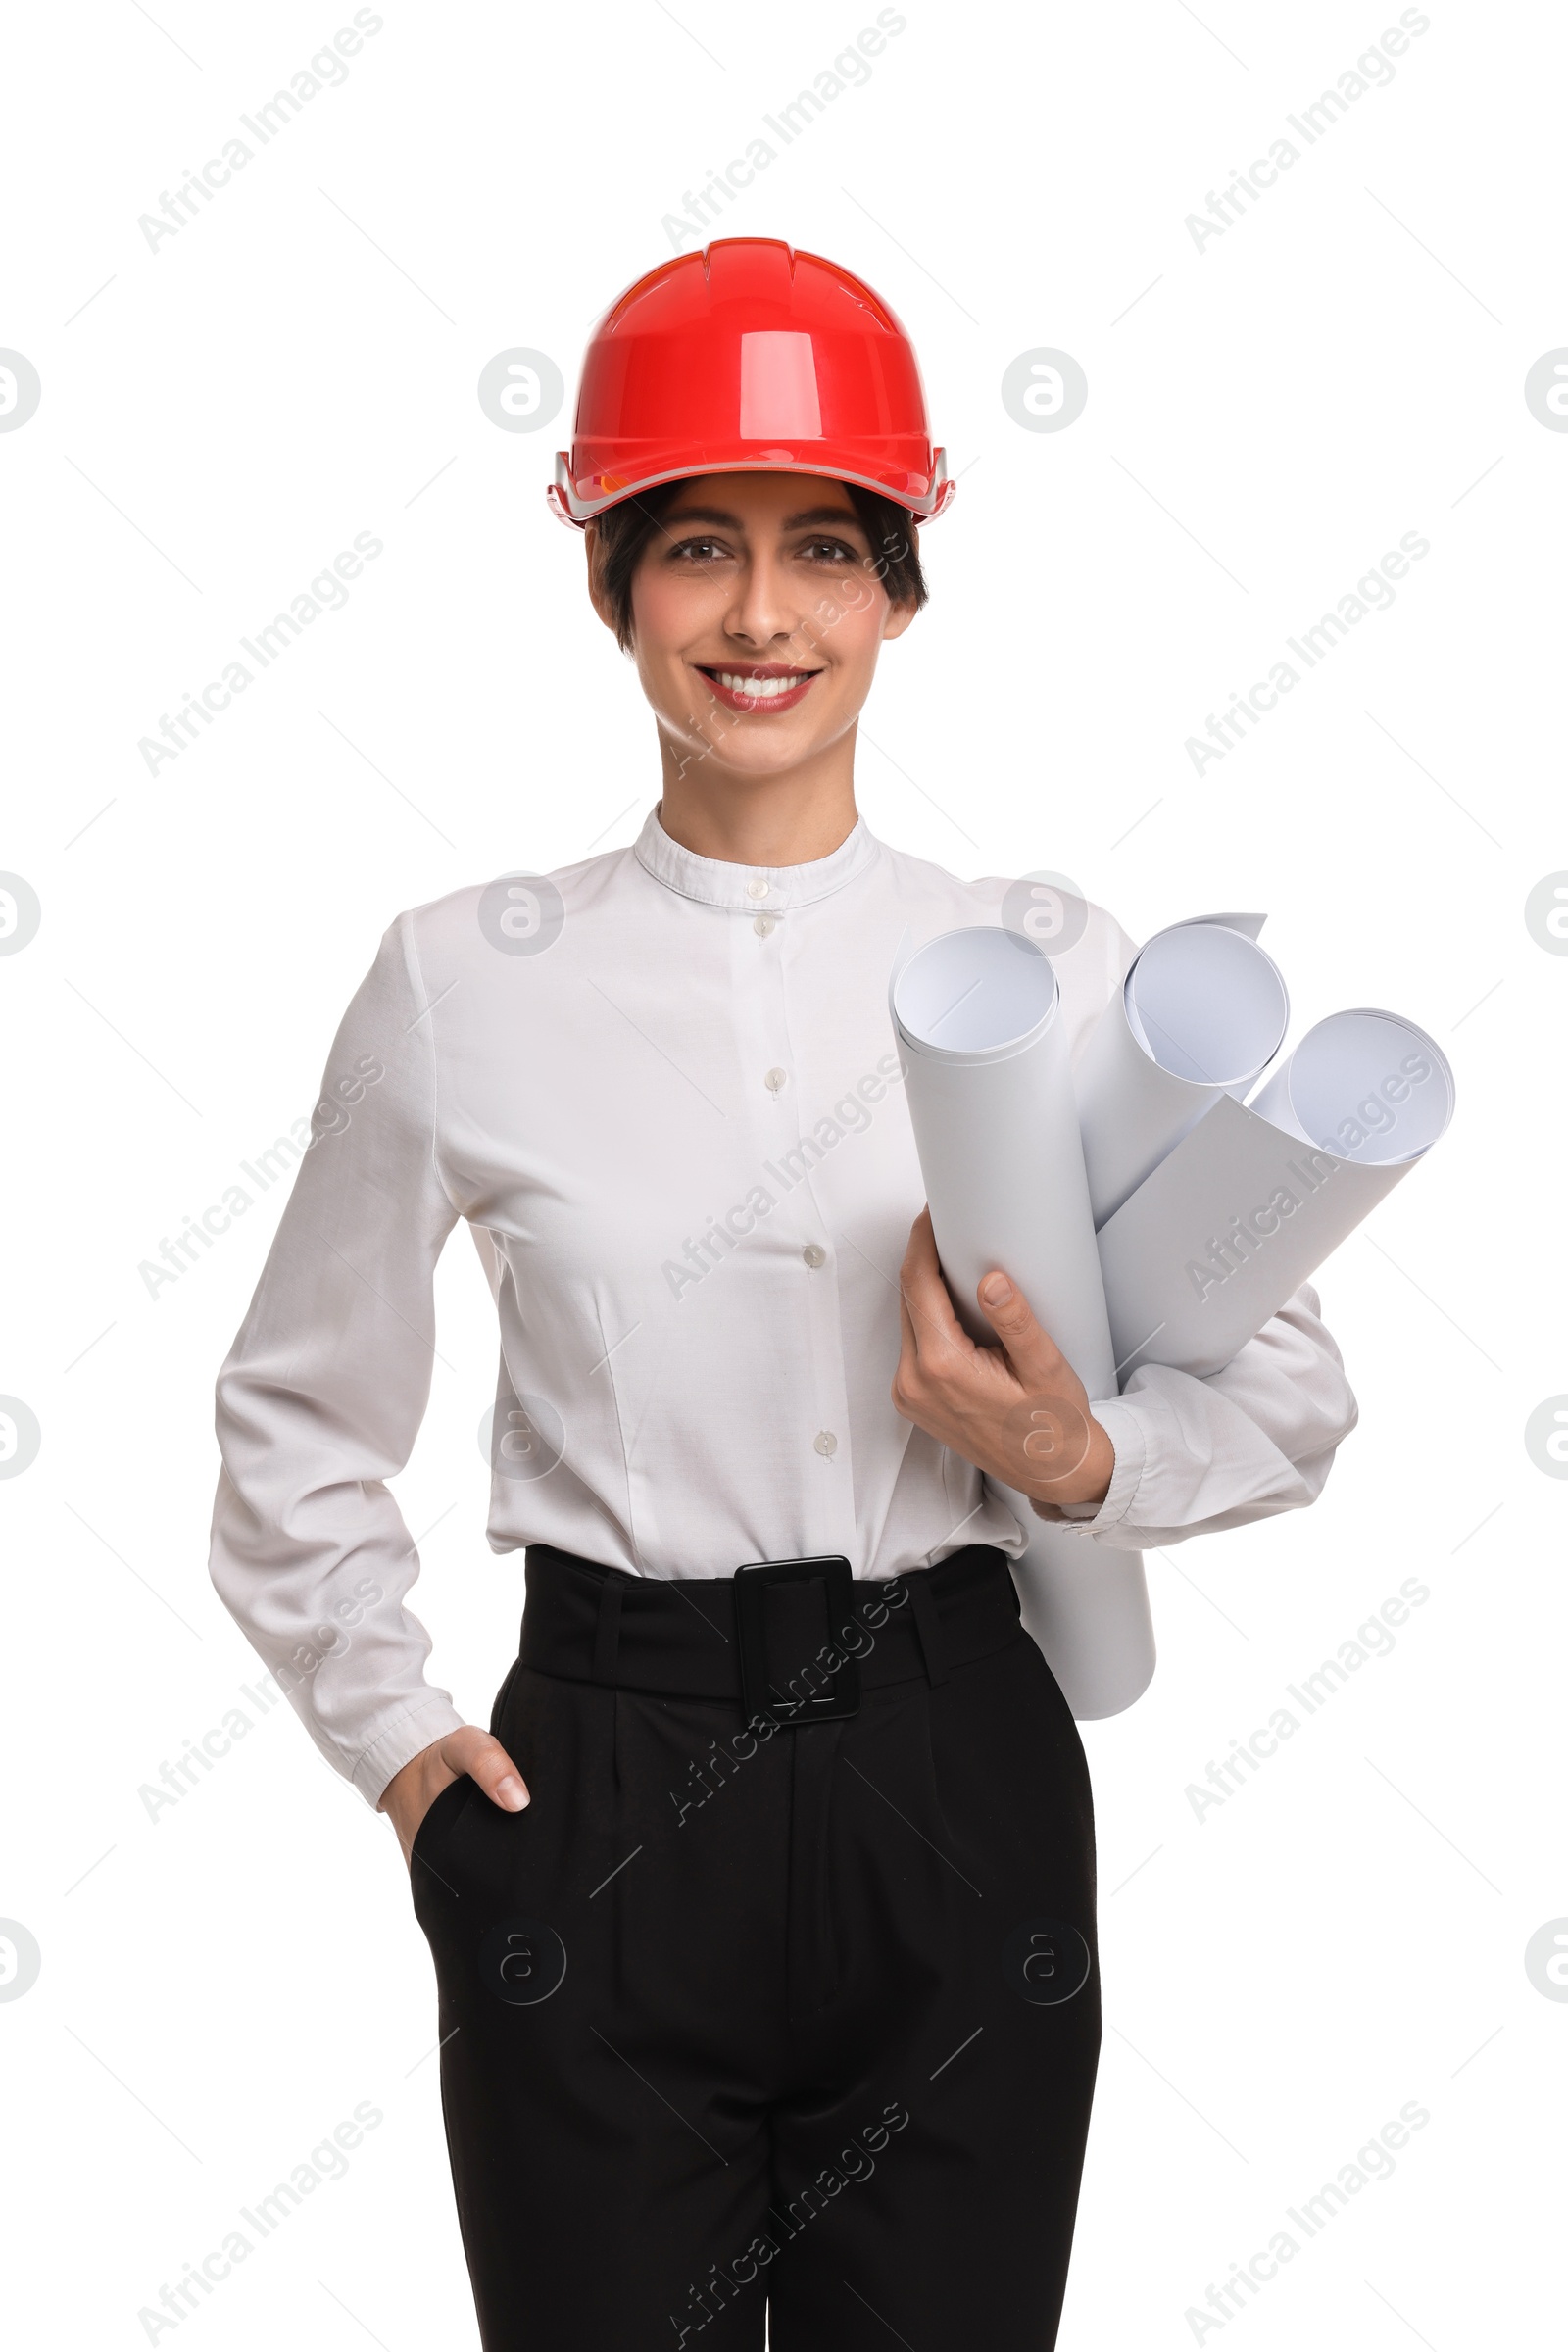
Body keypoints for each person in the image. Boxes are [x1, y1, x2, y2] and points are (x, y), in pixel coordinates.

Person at [209, 238, 1357, 2350]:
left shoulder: (1046, 970)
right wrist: (396, 1754)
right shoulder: (462, 982)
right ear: (610, 585)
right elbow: (296, 1412)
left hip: (956, 1777)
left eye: (823, 550)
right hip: (599, 1804)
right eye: (697, 550)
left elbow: (1282, 1388)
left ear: (900, 591)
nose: (759, 617)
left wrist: (1077, 1454)